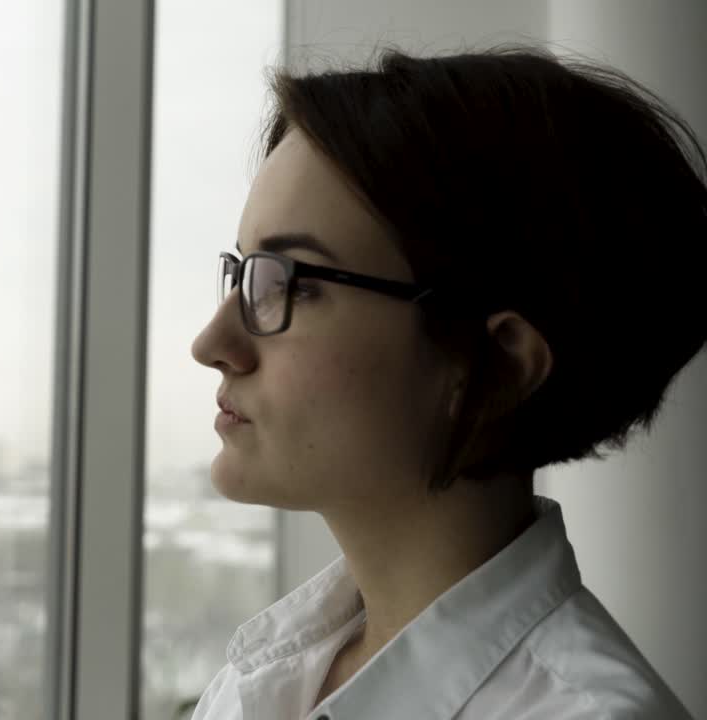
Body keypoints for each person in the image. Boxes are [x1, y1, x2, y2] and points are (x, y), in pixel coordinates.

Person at [189, 45, 704, 720]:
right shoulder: (264, 680)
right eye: (246, 274)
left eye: (297, 284)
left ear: (496, 366)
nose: (213, 345)